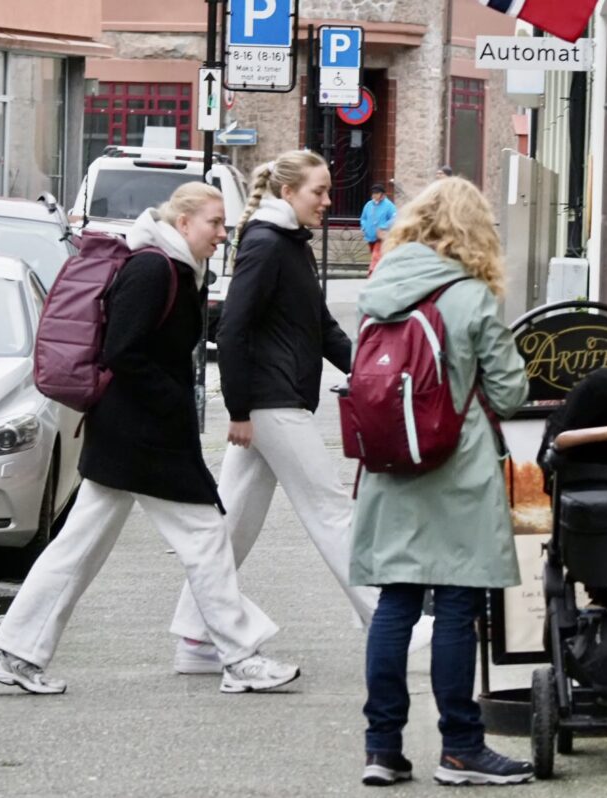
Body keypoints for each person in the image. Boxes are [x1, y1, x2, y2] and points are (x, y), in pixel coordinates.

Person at [0, 183, 299, 696]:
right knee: (205, 537)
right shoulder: (155, 269)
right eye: (214, 223)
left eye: (224, 224)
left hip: (129, 432)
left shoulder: (176, 268)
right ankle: (240, 657)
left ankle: (16, 651)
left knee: (79, 546)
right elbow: (122, 351)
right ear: (183, 223)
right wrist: (172, 400)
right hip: (144, 436)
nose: (223, 233)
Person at [168, 151, 431, 676]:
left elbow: (322, 327)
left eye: (329, 191)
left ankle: (197, 635)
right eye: (319, 191)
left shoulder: (289, 244)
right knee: (331, 511)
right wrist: (238, 409)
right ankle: (390, 624)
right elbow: (231, 329)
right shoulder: (267, 245)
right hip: (270, 402)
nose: (328, 201)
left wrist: (372, 372)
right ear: (287, 193)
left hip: (273, 399)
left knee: (233, 525)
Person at [350, 177, 535, 787]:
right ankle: (460, 748)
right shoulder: (471, 296)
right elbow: (509, 393)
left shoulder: (377, 293)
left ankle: (382, 749)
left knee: (395, 604)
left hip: (393, 466)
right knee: (457, 608)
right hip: (459, 470)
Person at [359, 182, 396, 276]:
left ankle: (372, 274)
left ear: (382, 194)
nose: (374, 195)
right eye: (373, 193)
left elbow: (394, 218)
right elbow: (363, 218)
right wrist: (364, 227)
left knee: (376, 255)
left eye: (377, 193)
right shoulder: (369, 205)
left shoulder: (389, 205)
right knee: (375, 256)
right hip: (370, 235)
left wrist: (383, 227)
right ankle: (381, 272)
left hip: (381, 236)